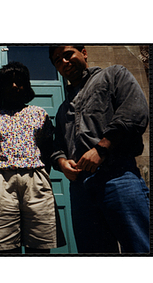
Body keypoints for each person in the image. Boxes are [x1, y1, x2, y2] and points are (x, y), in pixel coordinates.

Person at [48, 45, 149, 253]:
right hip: (80, 190)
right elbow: (57, 145)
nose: (64, 62)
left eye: (68, 55)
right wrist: (61, 163)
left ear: (84, 53)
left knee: (140, 247)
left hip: (118, 177)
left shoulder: (114, 75)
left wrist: (102, 149)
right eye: (58, 60)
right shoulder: (62, 108)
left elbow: (134, 112)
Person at [0, 61, 65, 254]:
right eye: (9, 82)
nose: (15, 86)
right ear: (0, 87)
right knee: (6, 247)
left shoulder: (39, 114)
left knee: (39, 245)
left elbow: (47, 149)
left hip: (36, 181)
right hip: (1, 183)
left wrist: (37, 176)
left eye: (20, 82)